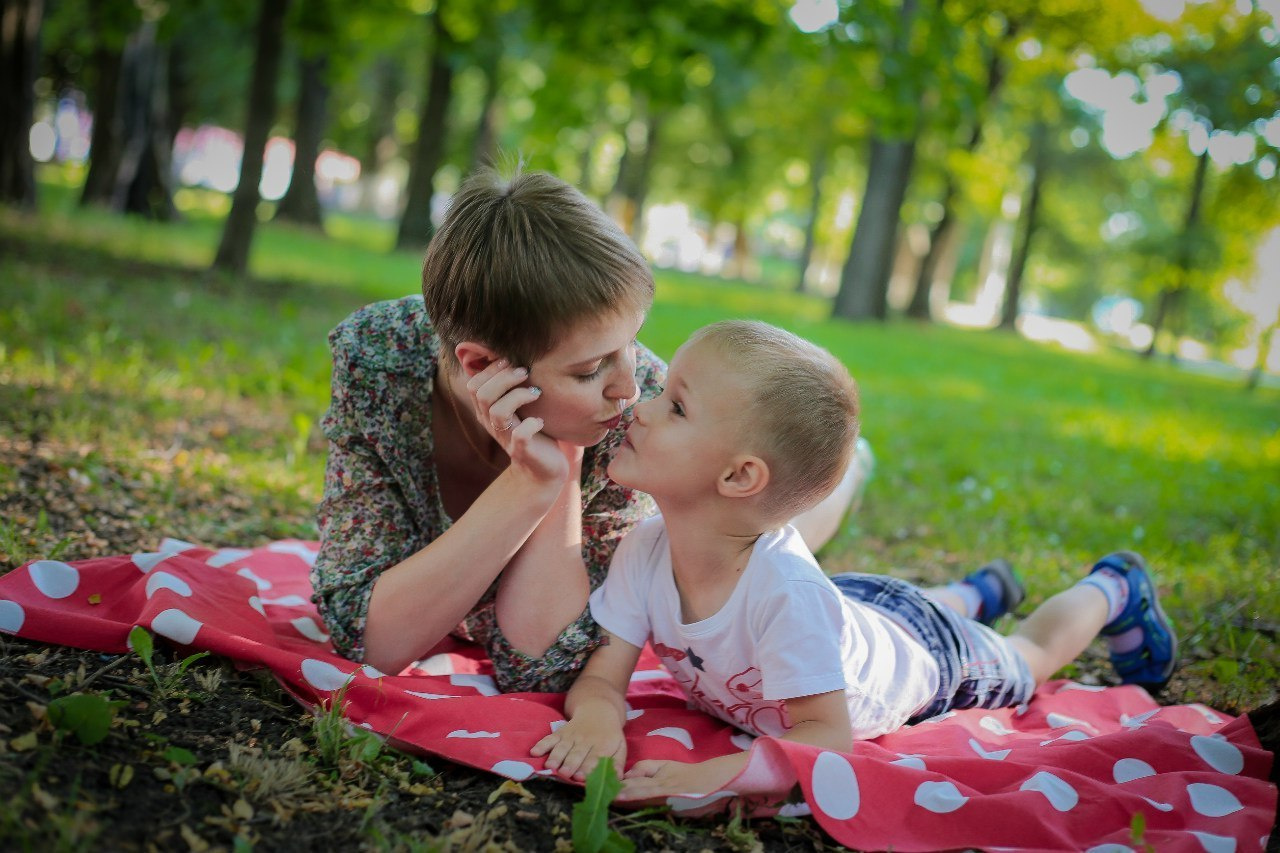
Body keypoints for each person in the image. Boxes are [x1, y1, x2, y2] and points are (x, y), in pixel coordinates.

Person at [530, 319, 1178, 800]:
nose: (639, 408)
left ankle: (1111, 586)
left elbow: (823, 736)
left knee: (1028, 653)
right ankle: (972, 592)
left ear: (738, 476)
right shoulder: (646, 548)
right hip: (852, 608)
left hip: (929, 657)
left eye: (674, 405)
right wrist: (596, 721)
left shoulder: (782, 593)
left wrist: (718, 775)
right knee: (868, 614)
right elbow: (604, 675)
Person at [309, 169, 869, 693]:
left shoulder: (634, 403)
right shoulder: (379, 359)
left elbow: (544, 670)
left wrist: (564, 466)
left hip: (729, 516)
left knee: (758, 534)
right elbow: (371, 642)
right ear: (480, 365)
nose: (629, 389)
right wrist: (527, 485)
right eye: (589, 369)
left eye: (629, 344)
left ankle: (849, 473)